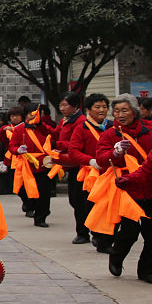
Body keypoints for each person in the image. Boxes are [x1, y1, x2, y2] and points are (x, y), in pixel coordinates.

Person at [97, 94, 152, 284]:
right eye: (116, 111)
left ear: (135, 112)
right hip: (126, 188)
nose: (119, 114)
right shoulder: (110, 134)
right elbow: (102, 159)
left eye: (124, 110)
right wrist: (115, 152)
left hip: (151, 187)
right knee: (129, 231)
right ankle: (116, 258)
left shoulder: (151, 131)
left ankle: (147, 270)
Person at [116, 109, 152, 282]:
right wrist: (127, 180)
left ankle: (147, 270)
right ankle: (121, 257)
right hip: (148, 196)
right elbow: (147, 171)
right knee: (132, 232)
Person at [62, 93, 111, 251]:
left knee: (105, 206)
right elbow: (73, 151)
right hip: (86, 173)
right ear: (89, 110)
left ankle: (102, 236)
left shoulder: (112, 126)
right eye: (97, 107)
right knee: (81, 204)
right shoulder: (82, 127)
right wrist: (91, 161)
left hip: (108, 174)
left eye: (104, 107)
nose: (101, 110)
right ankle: (83, 233)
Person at [9, 103, 58, 227]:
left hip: (44, 164)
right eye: (33, 114)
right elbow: (12, 146)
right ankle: (30, 207)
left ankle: (41, 216)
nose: (35, 116)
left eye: (38, 114)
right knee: (28, 191)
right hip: (28, 166)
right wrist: (18, 149)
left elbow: (56, 136)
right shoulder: (19, 129)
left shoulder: (43, 127)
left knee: (45, 192)